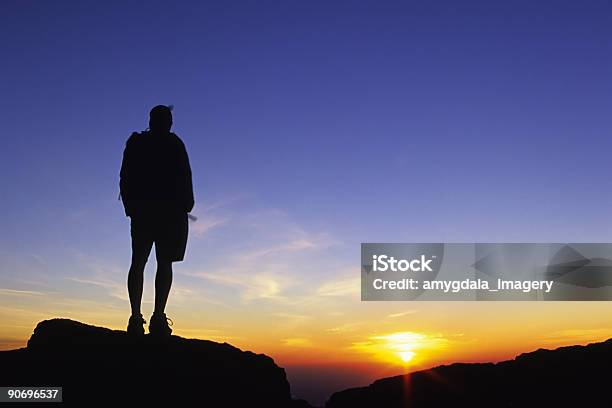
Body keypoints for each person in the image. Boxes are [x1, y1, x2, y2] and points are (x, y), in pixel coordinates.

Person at [119, 105, 194, 336]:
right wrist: (132, 207)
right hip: (155, 214)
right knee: (150, 263)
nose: (168, 124)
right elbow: (126, 177)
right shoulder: (155, 144)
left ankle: (148, 317)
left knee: (151, 263)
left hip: (158, 215)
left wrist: (132, 207)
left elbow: (125, 177)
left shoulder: (148, 143)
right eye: (166, 119)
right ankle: (145, 318)